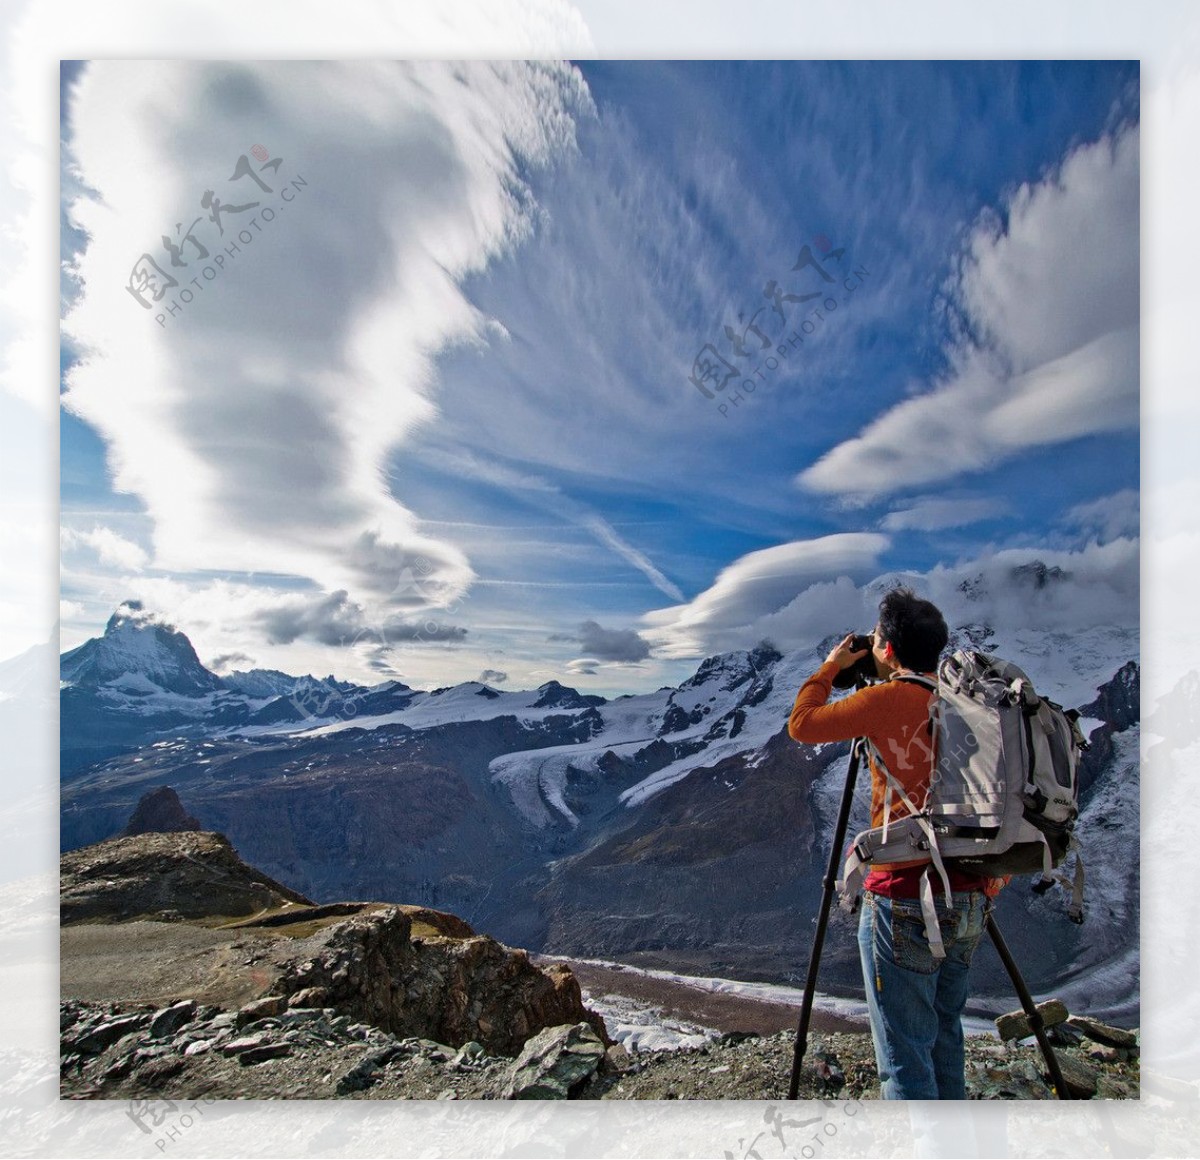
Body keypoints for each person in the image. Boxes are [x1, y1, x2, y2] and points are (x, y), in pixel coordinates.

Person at [787, 587, 1001, 1100]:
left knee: (904, 1059)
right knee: (945, 1037)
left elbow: (802, 724)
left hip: (903, 895)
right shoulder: (965, 701)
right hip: (971, 894)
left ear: (885, 648)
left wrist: (831, 666)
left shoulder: (887, 699)